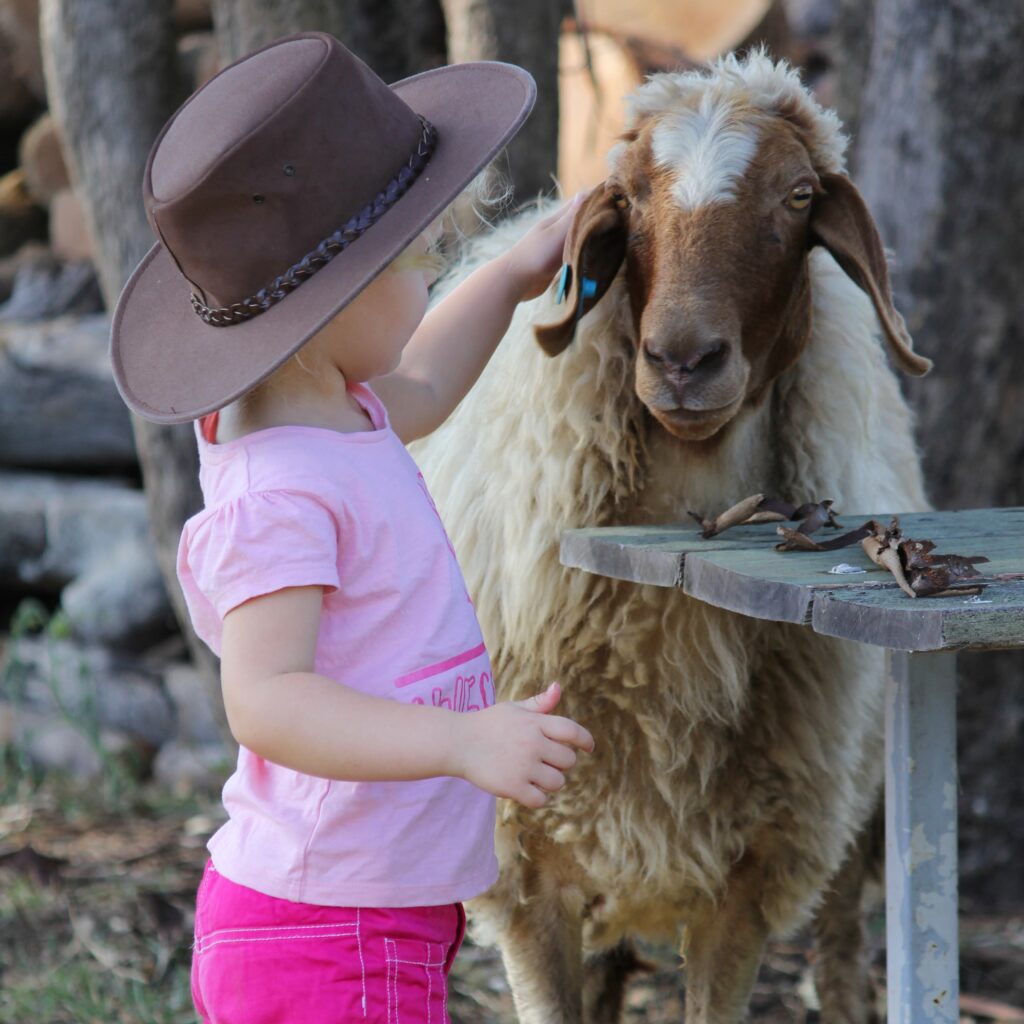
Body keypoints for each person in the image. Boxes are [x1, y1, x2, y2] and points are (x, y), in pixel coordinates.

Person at [109, 30, 594, 1024]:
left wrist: (506, 281)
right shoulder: (279, 488)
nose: (428, 280)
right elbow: (267, 697)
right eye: (421, 260)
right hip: (328, 932)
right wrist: (459, 740)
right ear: (328, 301)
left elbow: (420, 387)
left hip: (352, 915)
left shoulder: (330, 405)